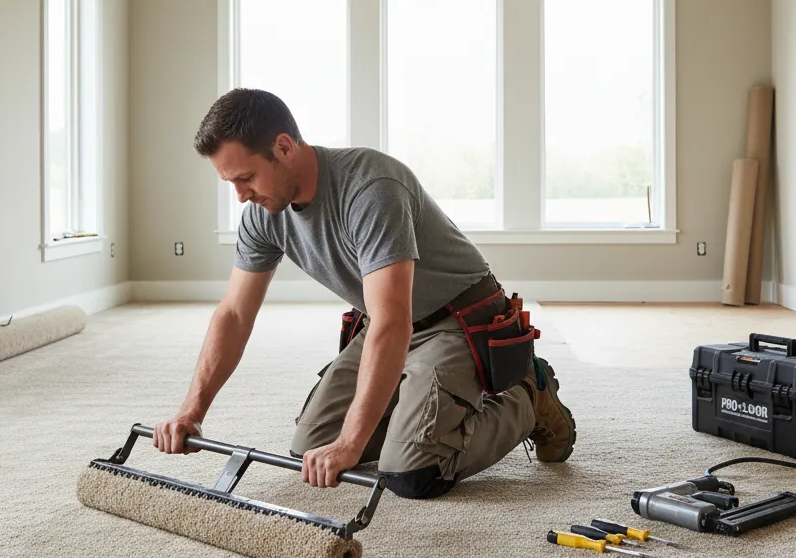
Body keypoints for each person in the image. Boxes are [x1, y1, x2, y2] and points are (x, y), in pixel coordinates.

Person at [154, 88, 576, 499]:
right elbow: (233, 315)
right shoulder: (264, 214)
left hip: (457, 319)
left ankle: (528, 396)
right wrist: (191, 412)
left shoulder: (371, 187)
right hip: (387, 322)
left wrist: (352, 443)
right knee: (310, 450)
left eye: (245, 177)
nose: (241, 196)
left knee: (412, 470)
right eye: (230, 182)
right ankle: (415, 407)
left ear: (284, 147)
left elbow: (394, 321)